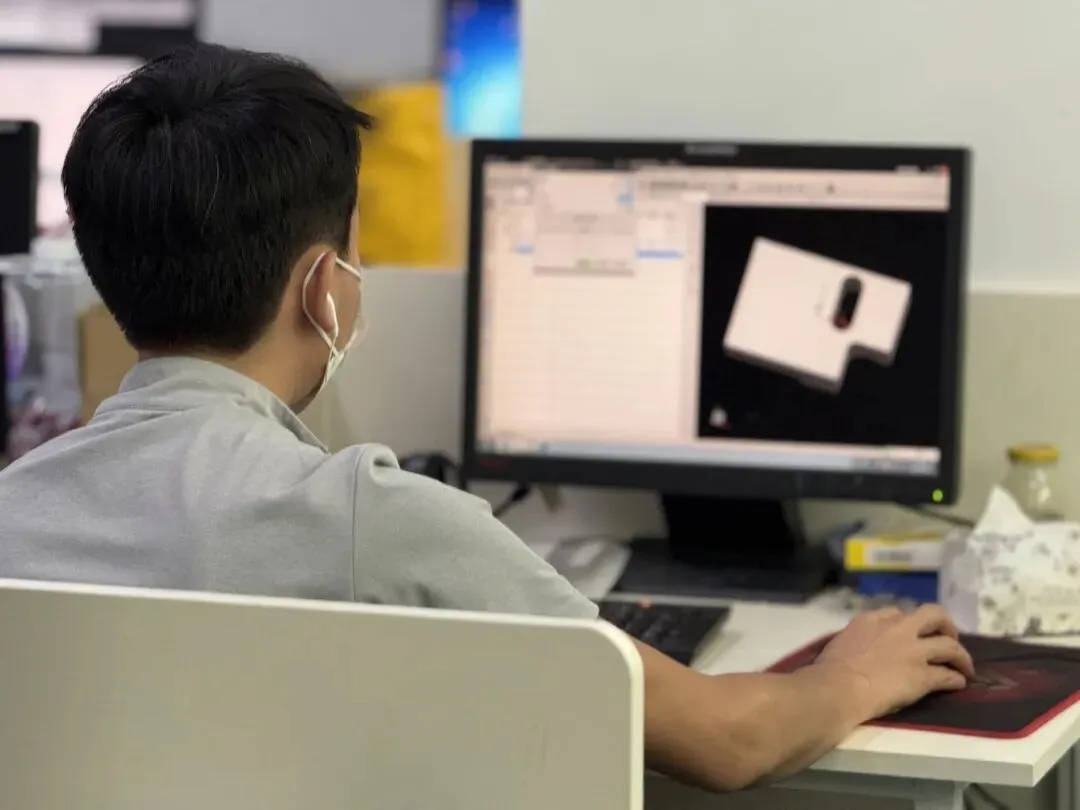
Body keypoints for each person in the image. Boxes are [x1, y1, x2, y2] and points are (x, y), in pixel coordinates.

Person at [0, 44, 973, 793]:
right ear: (325, 287)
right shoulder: (369, 516)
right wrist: (855, 674)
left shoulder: (18, 505)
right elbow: (727, 742)